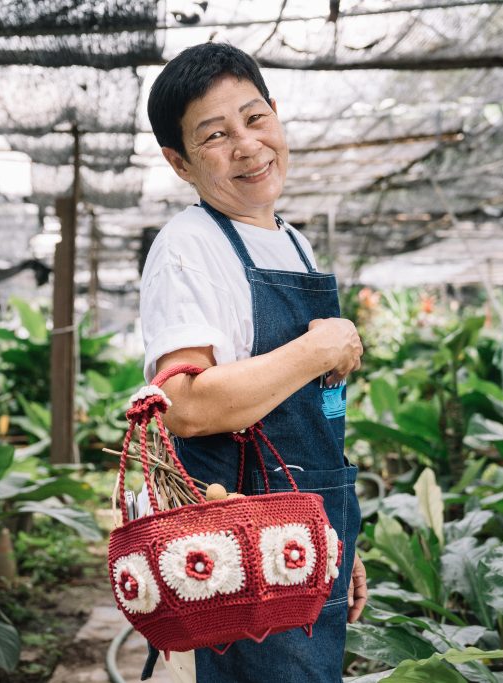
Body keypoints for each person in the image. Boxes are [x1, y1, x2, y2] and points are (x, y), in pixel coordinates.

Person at [139, 42, 366, 682]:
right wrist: (319, 348)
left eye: (255, 118)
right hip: (243, 550)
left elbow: (318, 414)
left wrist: (341, 534)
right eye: (215, 135)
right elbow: (185, 404)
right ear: (179, 162)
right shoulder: (189, 246)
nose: (247, 145)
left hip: (306, 532)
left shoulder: (293, 241)